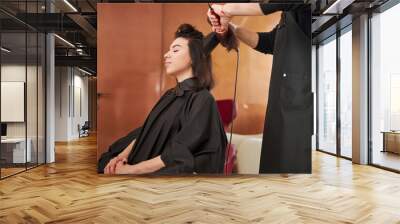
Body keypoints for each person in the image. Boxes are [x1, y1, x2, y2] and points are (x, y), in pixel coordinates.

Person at [98, 24, 228, 175]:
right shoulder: (170, 94)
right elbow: (147, 131)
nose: (166, 54)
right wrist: (120, 158)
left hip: (155, 171)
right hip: (138, 159)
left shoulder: (202, 99)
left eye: (175, 50)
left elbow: (179, 152)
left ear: (194, 57)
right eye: (169, 50)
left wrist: (132, 170)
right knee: (105, 161)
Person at [208, 2, 313, 173]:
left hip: (298, 103)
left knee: (291, 165)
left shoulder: (300, 8)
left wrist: (226, 10)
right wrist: (230, 26)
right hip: (280, 103)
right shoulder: (287, 18)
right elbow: (266, 42)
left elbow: (273, 5)